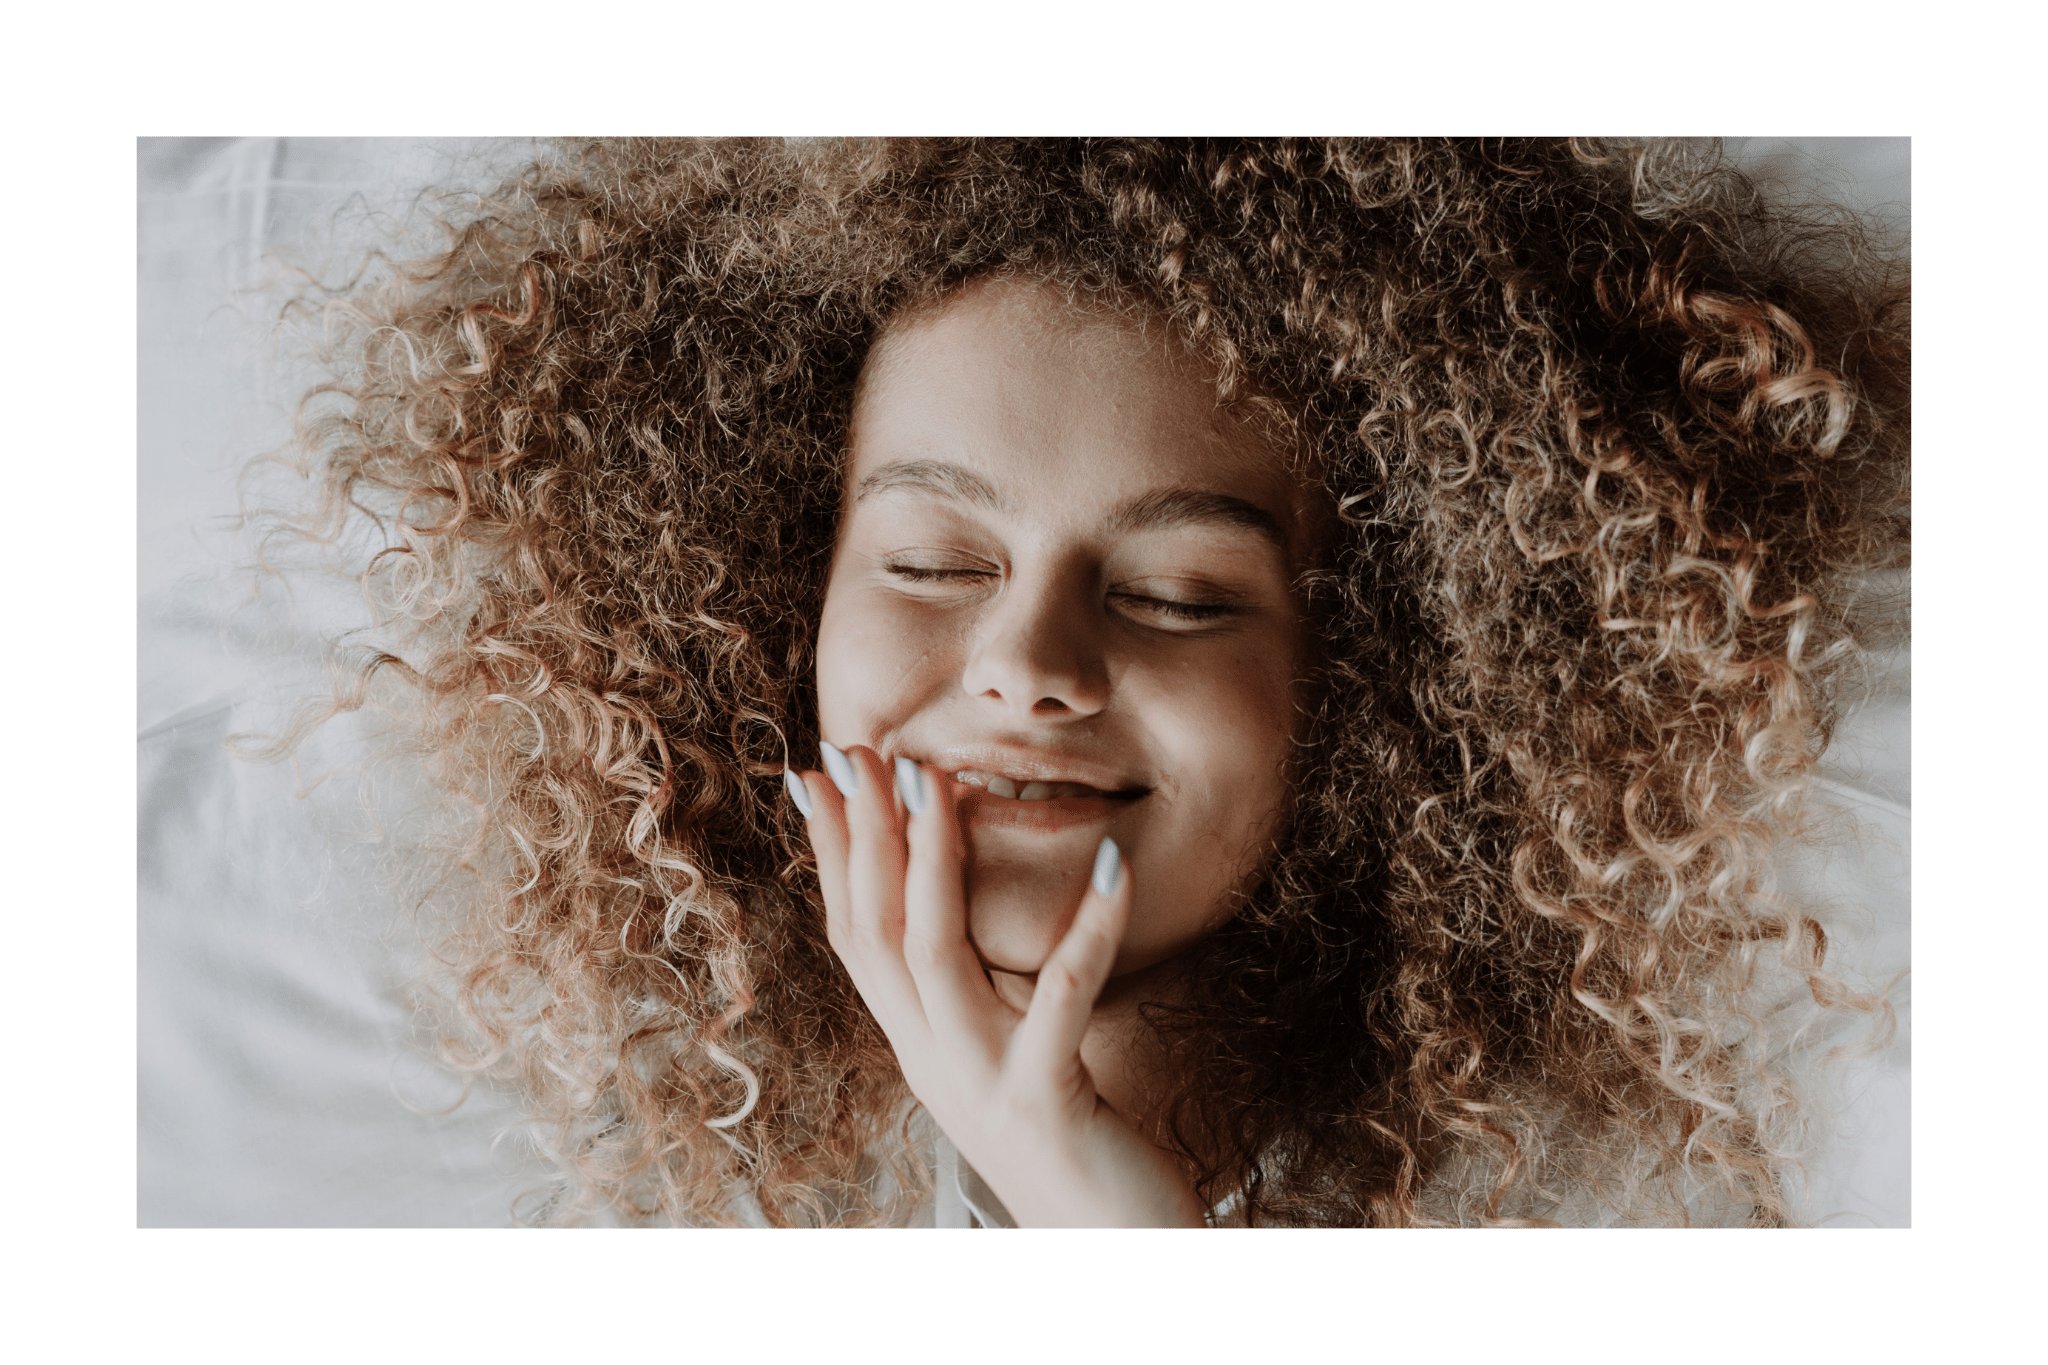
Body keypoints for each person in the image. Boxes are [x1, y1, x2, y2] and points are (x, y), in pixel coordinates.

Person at [267, 137, 1909, 1227]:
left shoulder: (1643, 1215)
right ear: (789, 605)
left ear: (1373, 688)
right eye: (932, 561)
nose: (1034, 666)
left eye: (1178, 593)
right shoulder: (567, 1194)